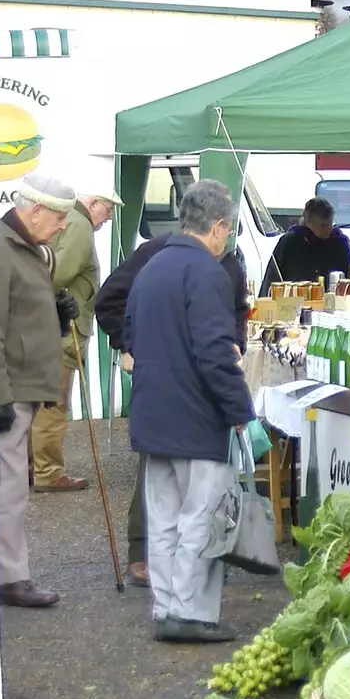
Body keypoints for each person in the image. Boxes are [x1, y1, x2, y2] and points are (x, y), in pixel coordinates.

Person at [125, 180, 254, 643]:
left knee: (163, 519)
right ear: (219, 227)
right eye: (229, 231)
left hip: (152, 412)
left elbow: (131, 337)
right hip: (196, 415)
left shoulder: (152, 267)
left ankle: (166, 608)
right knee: (202, 516)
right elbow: (216, 352)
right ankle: (193, 613)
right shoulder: (206, 273)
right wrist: (239, 408)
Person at [98, 230, 252, 588]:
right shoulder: (156, 253)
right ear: (214, 225)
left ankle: (196, 566)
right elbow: (109, 300)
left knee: (200, 484)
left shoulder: (229, 260)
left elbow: (238, 309)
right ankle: (145, 556)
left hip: (206, 383)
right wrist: (129, 345)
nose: (228, 236)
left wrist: (237, 344)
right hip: (166, 380)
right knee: (160, 471)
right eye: (226, 229)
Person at [0, 175, 77, 609]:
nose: (64, 225)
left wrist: (57, 316)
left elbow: (21, 317)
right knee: (6, 489)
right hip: (5, 389)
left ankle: (7, 574)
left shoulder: (30, 250)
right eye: (60, 217)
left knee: (10, 487)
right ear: (35, 211)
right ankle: (9, 578)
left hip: (17, 385)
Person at [30, 188, 118, 493]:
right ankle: (48, 471)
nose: (108, 220)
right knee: (53, 401)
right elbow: (60, 271)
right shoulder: (80, 225)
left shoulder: (72, 223)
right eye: (107, 211)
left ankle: (34, 466)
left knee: (40, 400)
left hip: (50, 325)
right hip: (64, 329)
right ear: (92, 204)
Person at [260, 196, 350, 295]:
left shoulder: (339, 242)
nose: (328, 229)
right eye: (323, 226)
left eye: (330, 224)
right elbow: (272, 279)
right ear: (308, 223)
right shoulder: (290, 242)